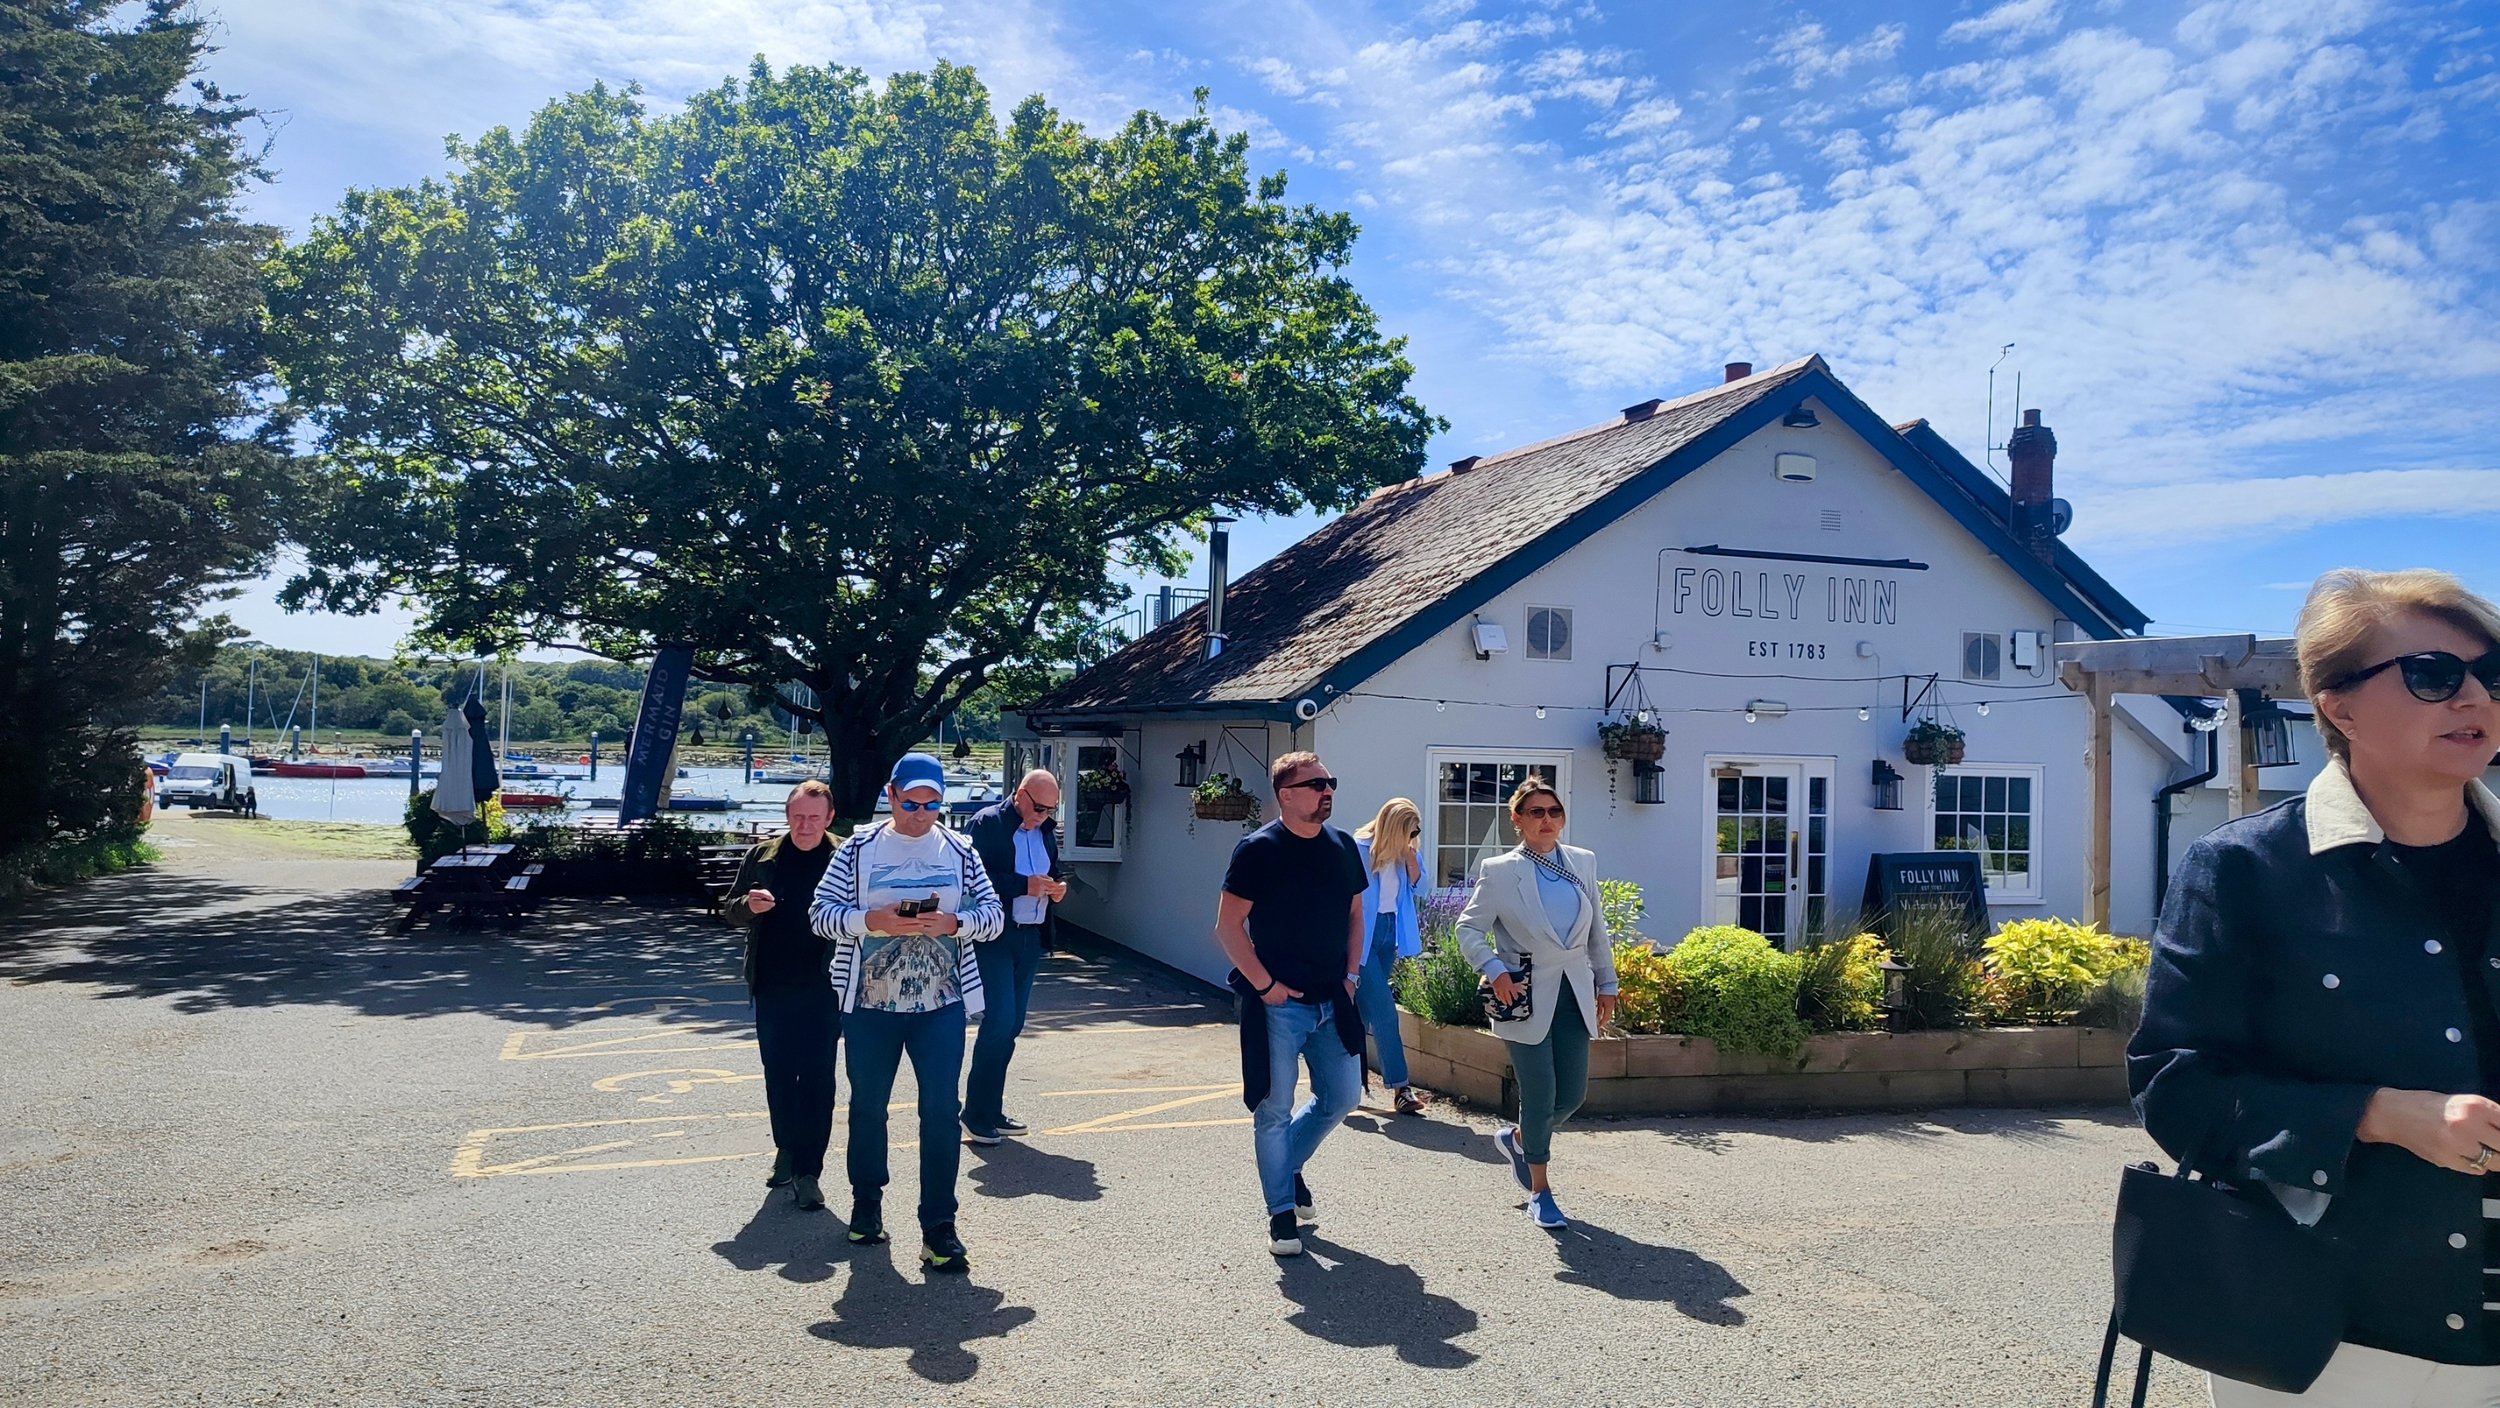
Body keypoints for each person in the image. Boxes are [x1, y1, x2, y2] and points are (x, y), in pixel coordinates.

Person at [2132, 568, 2500, 1404]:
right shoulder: (2244, 870)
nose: (2474, 695)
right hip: (2337, 1334)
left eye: (2494, 674)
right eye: (2435, 674)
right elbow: (2175, 1088)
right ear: (2339, 707)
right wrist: (2377, 1115)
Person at [809, 752, 1004, 1275]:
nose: (922, 812)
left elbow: (994, 917)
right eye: (912, 801)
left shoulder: (961, 849)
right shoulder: (857, 849)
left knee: (940, 1112)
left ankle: (939, 1225)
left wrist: (955, 923)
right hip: (869, 1005)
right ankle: (867, 1203)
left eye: (933, 803)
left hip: (940, 1005)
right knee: (868, 1106)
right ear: (891, 796)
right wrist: (868, 919)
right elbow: (819, 914)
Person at [1215, 751, 1369, 1258]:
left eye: (1331, 783)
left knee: (1343, 1097)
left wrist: (1351, 976)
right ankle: (1281, 1214)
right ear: (1285, 795)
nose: (1327, 792)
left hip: (1333, 999)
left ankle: (1289, 1166)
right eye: (1315, 784)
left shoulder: (1344, 846)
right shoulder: (1258, 850)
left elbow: (1354, 916)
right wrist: (1266, 987)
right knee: (1273, 1110)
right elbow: (1229, 928)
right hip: (1277, 1004)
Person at [1455, 777, 1617, 1230]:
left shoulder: (1582, 861)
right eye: (1536, 813)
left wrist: (1608, 983)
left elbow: (1596, 931)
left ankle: (1520, 1138)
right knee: (1541, 1092)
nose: (1546, 820)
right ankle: (1541, 1190)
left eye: (1554, 812)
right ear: (1517, 820)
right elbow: (1468, 929)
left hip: (1575, 991)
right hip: (1523, 994)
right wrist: (1494, 969)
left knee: (1573, 1094)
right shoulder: (1501, 870)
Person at [721, 780, 843, 1210]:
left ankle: (810, 1170)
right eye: (797, 816)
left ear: (829, 818)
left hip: (825, 988)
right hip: (772, 983)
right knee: (778, 1074)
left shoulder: (844, 856)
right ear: (787, 815)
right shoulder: (762, 856)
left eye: (813, 817)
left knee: (817, 1080)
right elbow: (729, 909)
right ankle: (786, 1149)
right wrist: (746, 907)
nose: (804, 825)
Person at [961, 769, 1067, 1144]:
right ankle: (975, 1112)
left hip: (1030, 937)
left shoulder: (1044, 831)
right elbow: (971, 879)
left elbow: (1048, 871)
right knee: (999, 1021)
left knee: (1013, 1025)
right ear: (1019, 795)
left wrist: (1056, 888)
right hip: (995, 936)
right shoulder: (988, 823)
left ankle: (990, 1108)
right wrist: (1024, 885)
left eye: (1051, 811)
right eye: (1038, 808)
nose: (1043, 816)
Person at [1352, 797, 1427, 1116]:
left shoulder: (1406, 852)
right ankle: (1401, 1088)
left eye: (1416, 832)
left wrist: (1412, 860)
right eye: (1409, 831)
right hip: (1362, 936)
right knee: (1385, 1013)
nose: (1413, 838)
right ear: (1393, 827)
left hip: (1388, 933)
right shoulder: (1359, 848)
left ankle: (1343, 1080)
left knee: (1361, 1013)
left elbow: (1422, 889)